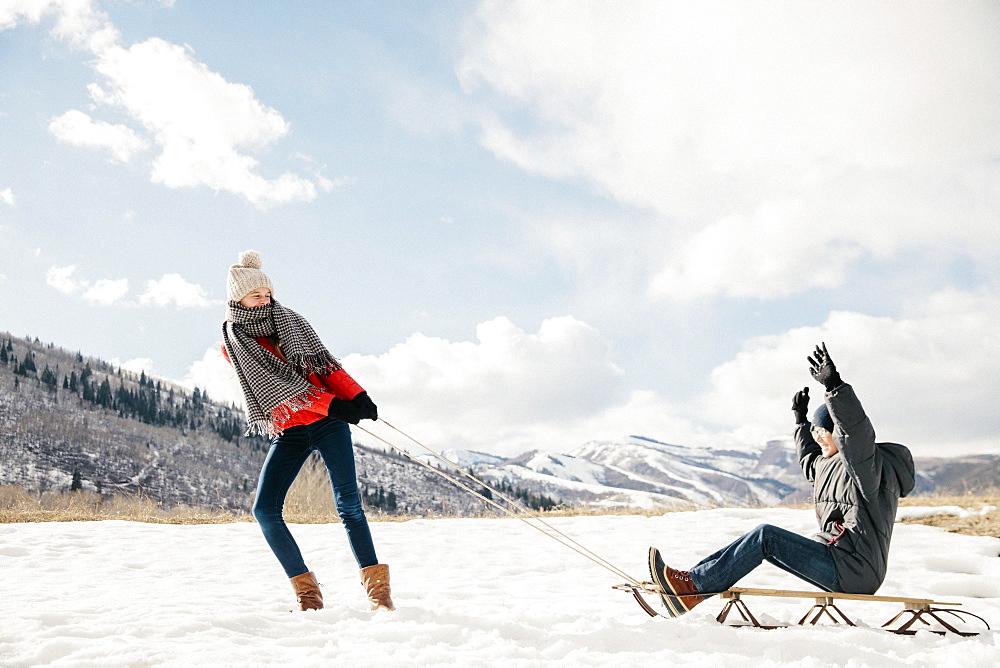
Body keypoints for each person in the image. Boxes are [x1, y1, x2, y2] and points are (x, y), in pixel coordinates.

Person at [648, 343, 915, 617]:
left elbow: (856, 433)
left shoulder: (867, 467)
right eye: (815, 431)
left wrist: (835, 387)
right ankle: (690, 583)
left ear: (841, 434)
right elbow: (810, 463)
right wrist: (801, 422)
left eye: (824, 431)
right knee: (762, 538)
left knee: (766, 536)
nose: (818, 436)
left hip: (855, 569)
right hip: (838, 559)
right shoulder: (828, 466)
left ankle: (693, 587)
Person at [221, 250, 394, 612]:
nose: (265, 301)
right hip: (291, 429)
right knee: (265, 510)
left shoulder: (292, 322)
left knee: (350, 507)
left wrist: (357, 395)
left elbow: (326, 366)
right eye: (256, 296)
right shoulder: (235, 343)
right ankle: (308, 597)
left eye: (267, 294)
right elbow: (277, 386)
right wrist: (333, 404)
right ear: (238, 299)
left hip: (330, 424)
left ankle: (380, 596)